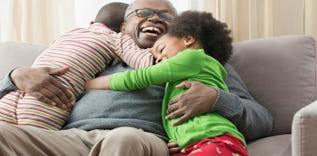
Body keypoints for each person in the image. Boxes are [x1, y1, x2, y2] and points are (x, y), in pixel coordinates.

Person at [0, 0, 272, 156]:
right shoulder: (91, 55)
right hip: (71, 140)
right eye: (143, 13)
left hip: (139, 139)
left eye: (166, 16)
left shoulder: (198, 63)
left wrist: (216, 98)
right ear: (122, 25)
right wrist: (15, 76)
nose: (154, 19)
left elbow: (263, 120)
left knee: (123, 138)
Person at [85, 10, 248, 156]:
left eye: (161, 50)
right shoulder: (200, 70)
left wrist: (87, 84)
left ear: (188, 39)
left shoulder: (193, 57)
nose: (160, 60)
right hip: (193, 145)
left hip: (213, 140)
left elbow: (139, 78)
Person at [0, 1, 152, 130]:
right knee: (30, 142)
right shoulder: (117, 39)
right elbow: (146, 64)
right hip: (51, 98)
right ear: (124, 28)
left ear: (93, 23)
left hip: (12, 95)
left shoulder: (71, 32)